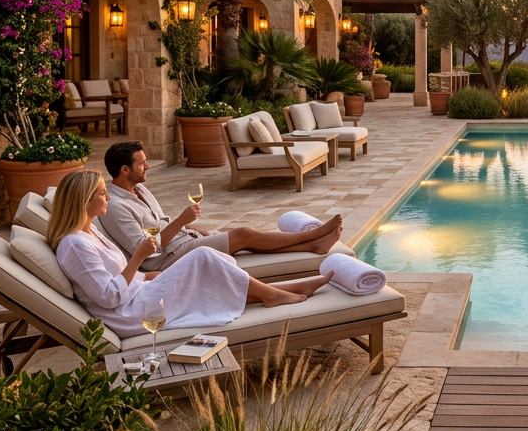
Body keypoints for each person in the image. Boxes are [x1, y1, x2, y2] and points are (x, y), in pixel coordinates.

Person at [49, 170, 334, 338]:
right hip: (131, 313)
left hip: (139, 292)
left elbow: (115, 277)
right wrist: (138, 259)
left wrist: (146, 276)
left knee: (219, 262)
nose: (107, 196)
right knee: (204, 257)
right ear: (83, 201)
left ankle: (280, 289)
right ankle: (273, 294)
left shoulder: (89, 231)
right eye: (101, 193)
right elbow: (109, 297)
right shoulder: (74, 245)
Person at [101, 140, 343, 271]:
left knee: (244, 243)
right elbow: (146, 251)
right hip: (166, 259)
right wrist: (182, 222)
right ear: (125, 170)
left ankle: (314, 245)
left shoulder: (140, 189)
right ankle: (314, 234)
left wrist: (192, 230)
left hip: (182, 242)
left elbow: (160, 223)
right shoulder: (115, 206)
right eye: (142, 163)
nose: (148, 167)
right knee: (244, 234)